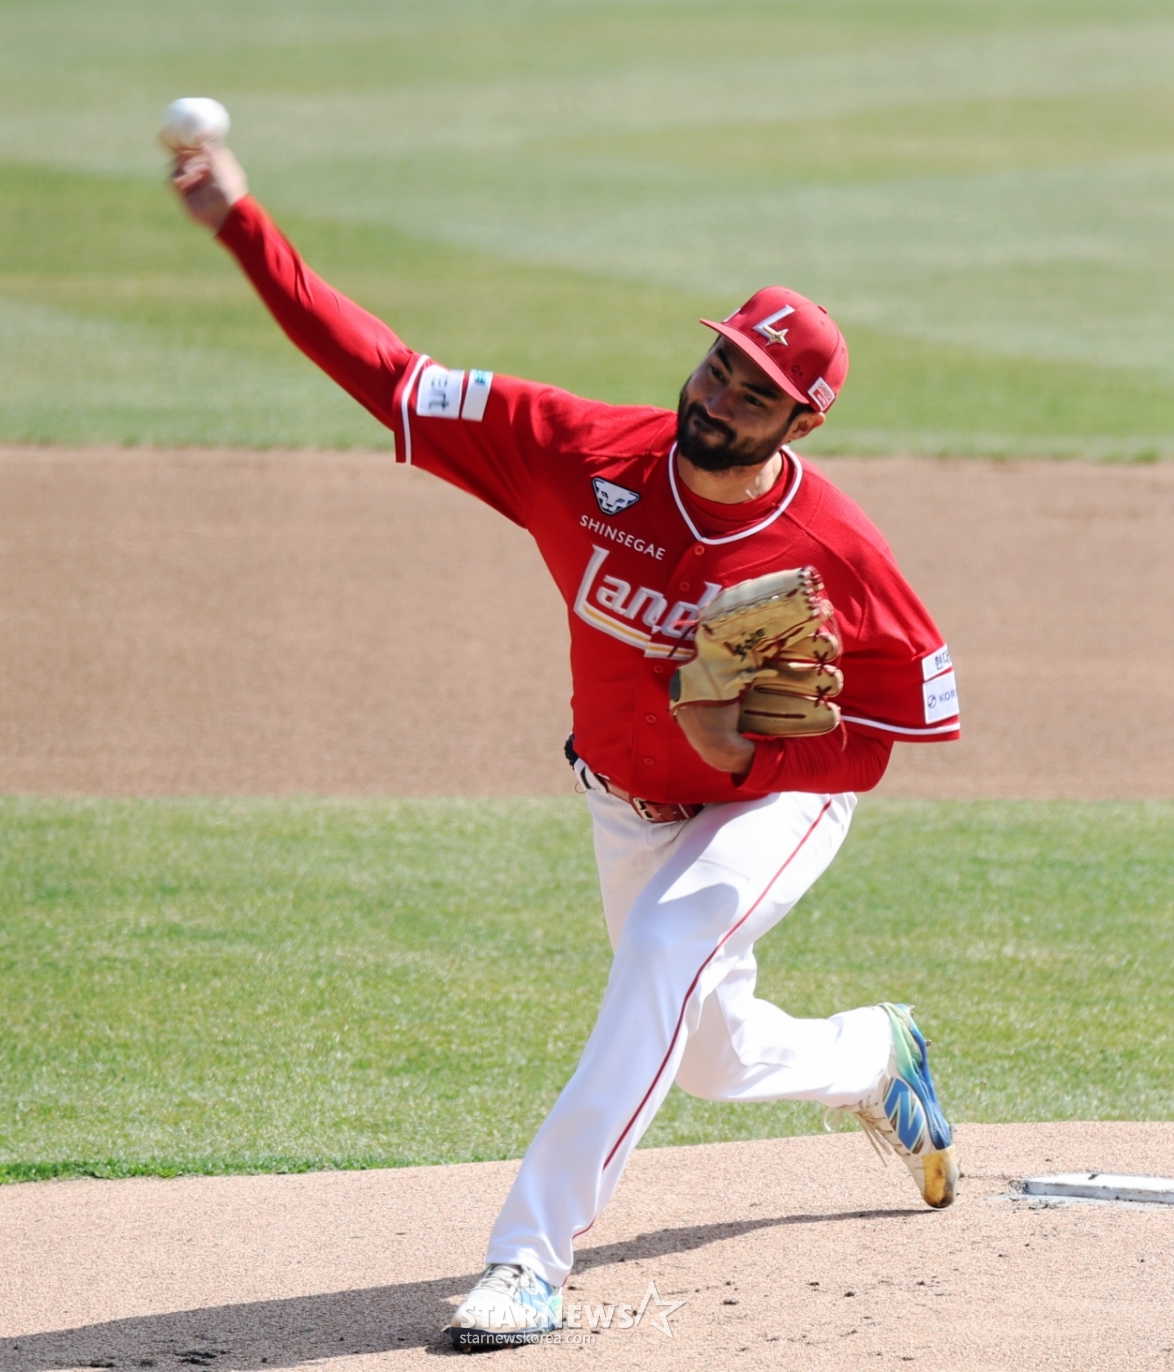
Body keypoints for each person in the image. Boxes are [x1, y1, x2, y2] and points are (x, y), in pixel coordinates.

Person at [170, 144, 962, 1350]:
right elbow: (390, 375)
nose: (717, 398)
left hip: (771, 805)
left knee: (665, 943)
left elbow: (896, 726)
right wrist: (238, 220)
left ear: (803, 419)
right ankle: (875, 1055)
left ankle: (529, 1256)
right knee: (708, 1055)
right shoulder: (582, 453)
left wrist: (751, 753)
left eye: (753, 394)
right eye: (719, 365)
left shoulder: (837, 552)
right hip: (624, 798)